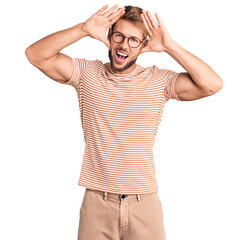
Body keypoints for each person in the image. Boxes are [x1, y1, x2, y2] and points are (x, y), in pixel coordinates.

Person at [25, 4, 223, 240]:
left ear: (143, 45)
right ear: (109, 36)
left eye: (133, 40)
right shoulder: (86, 73)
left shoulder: (159, 80)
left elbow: (212, 84)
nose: (124, 45)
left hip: (144, 204)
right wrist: (84, 28)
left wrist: (169, 46)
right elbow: (35, 55)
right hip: (97, 202)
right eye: (119, 35)